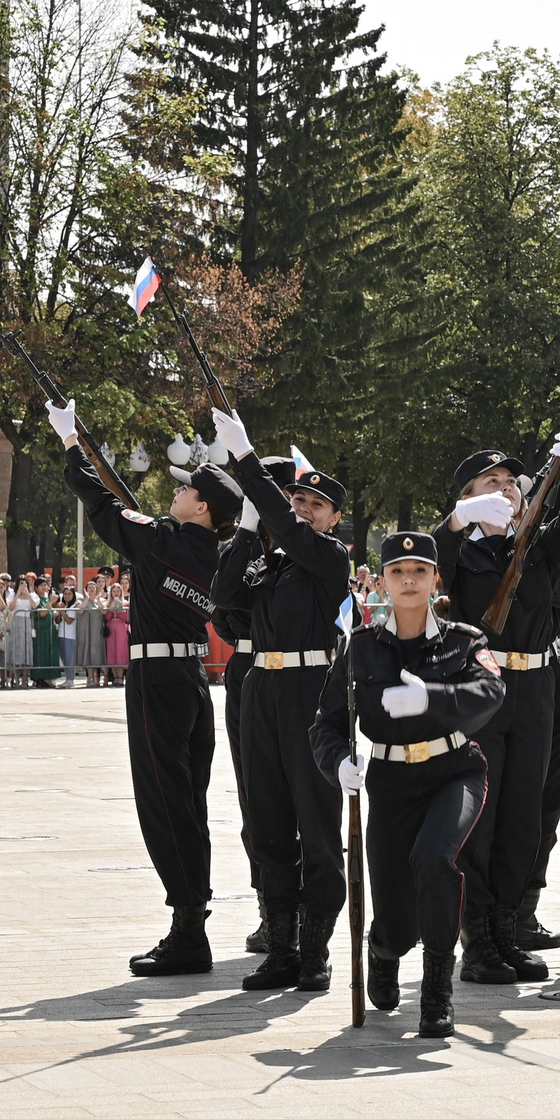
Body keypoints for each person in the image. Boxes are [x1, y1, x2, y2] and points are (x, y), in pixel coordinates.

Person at [49, 396, 233, 975]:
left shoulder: (161, 540)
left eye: (184, 490)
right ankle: (192, 918)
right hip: (194, 682)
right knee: (188, 800)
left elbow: (103, 508)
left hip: (157, 678)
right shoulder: (218, 558)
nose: (173, 493)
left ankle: (187, 930)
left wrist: (70, 445)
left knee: (162, 800)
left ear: (201, 506)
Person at [309, 529, 507, 1038]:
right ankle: (384, 947)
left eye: (420, 570)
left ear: (436, 577)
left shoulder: (466, 639)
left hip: (454, 771)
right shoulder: (361, 648)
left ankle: (438, 991)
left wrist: (433, 698)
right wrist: (337, 764)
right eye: (398, 572)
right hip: (392, 781)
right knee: (397, 918)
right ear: (383, 582)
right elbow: (325, 723)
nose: (409, 580)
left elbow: (489, 691)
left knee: (436, 859)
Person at [431, 431, 560, 983]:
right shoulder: (462, 552)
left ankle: (506, 928)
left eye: (509, 483)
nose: (504, 490)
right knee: (483, 815)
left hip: (538, 689)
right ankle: (475, 939)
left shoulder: (539, 544)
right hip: (483, 688)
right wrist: (457, 520)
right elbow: (428, 557)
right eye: (489, 484)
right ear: (470, 497)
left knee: (524, 813)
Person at [215, 412, 355, 992]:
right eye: (296, 500)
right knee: (267, 821)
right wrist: (249, 527)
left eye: (314, 505)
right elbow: (223, 596)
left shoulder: (329, 558)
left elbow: (295, 536)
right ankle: (280, 944)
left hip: (311, 693)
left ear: (335, 518)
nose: (301, 509)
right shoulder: (268, 562)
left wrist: (248, 465)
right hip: (262, 691)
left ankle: (315, 949)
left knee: (316, 825)